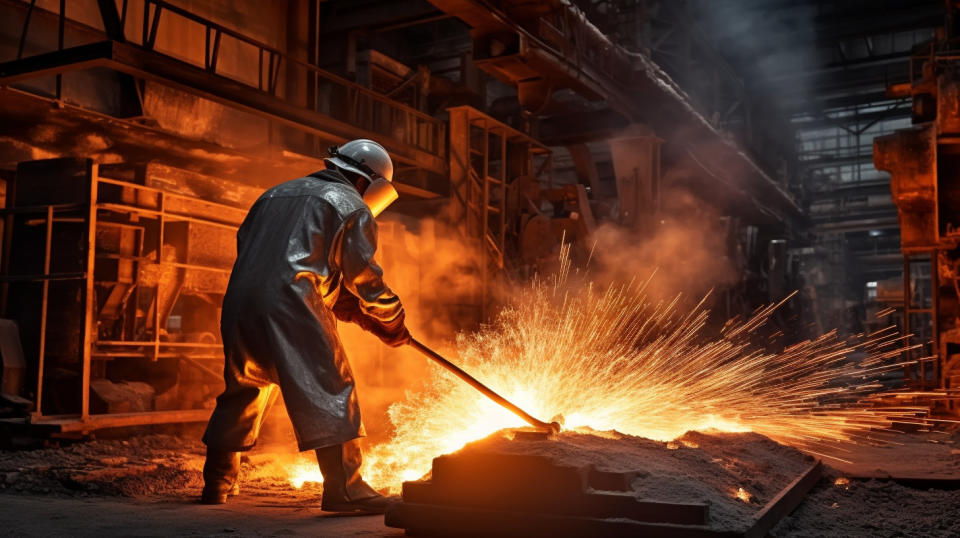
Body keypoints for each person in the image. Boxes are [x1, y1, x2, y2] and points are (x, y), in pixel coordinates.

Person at [200, 139, 410, 513]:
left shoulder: (272, 195)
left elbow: (273, 255)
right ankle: (345, 490)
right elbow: (366, 280)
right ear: (370, 183)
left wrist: (336, 299)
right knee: (330, 385)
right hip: (292, 303)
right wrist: (391, 319)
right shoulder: (351, 205)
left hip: (240, 300)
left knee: (245, 387)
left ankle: (217, 482)